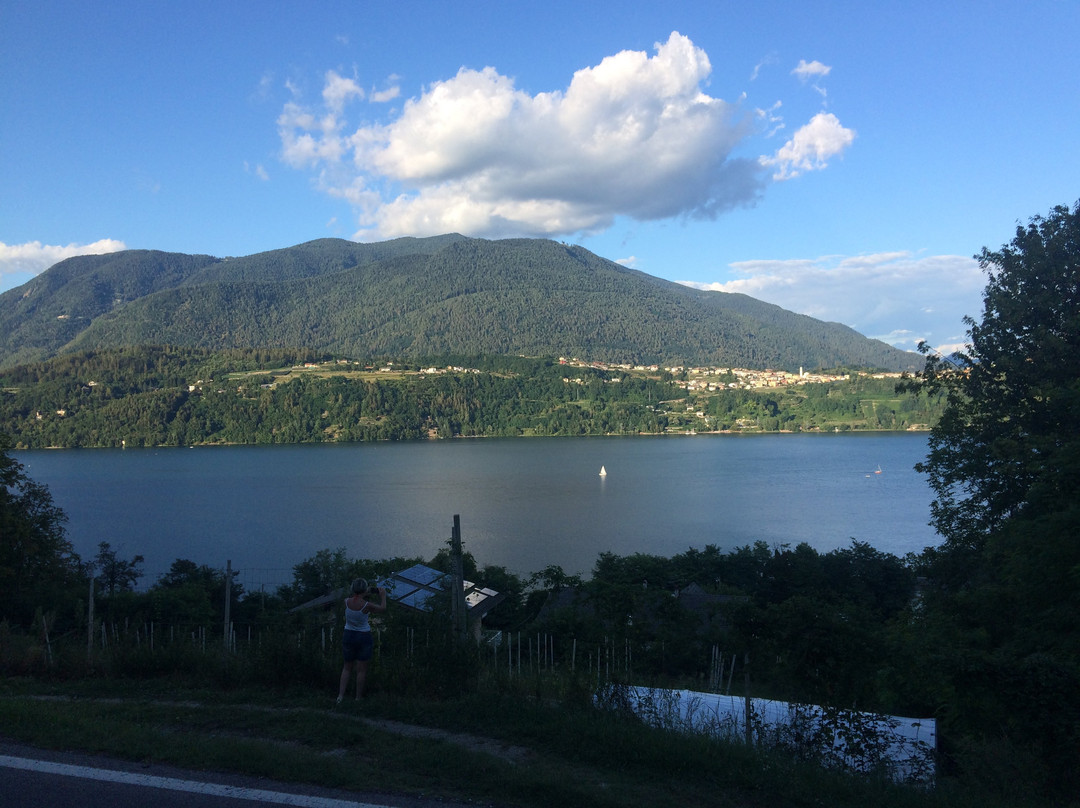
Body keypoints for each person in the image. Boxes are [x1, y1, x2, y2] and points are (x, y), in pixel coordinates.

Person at [337, 577, 387, 703]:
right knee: (361, 670)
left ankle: (340, 697)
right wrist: (383, 596)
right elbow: (382, 608)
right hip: (363, 636)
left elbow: (355, 595)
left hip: (348, 635)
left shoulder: (346, 601)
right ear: (364, 590)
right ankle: (358, 698)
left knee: (347, 667)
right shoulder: (366, 605)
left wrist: (363, 591)